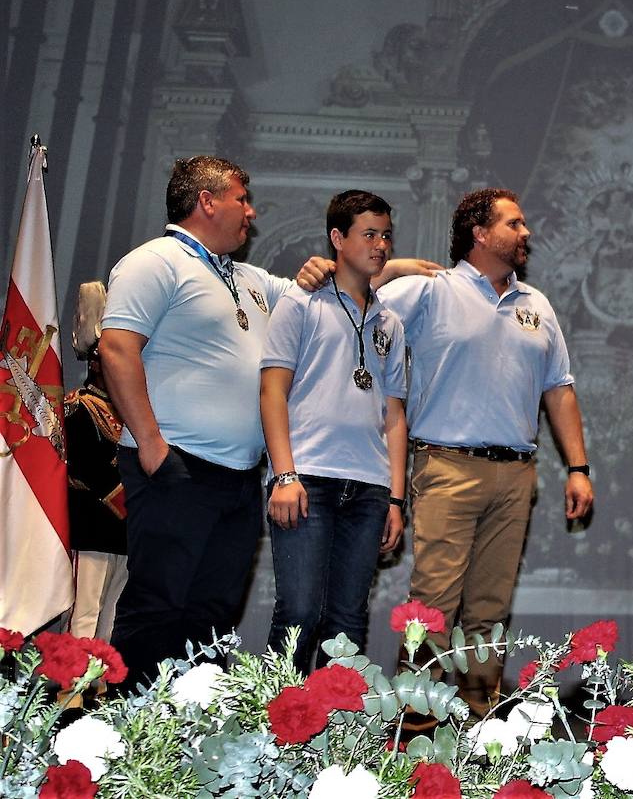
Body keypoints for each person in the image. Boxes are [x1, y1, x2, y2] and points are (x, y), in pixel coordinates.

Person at [101, 156, 431, 688]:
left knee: (214, 610)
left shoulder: (248, 278)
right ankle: (124, 727)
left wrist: (403, 265)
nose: (250, 212)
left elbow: (341, 280)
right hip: (175, 460)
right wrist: (151, 442)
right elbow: (117, 348)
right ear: (207, 201)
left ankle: (193, 731)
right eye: (241, 199)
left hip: (236, 474)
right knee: (159, 599)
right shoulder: (154, 261)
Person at [377, 187, 594, 716]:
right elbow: (353, 300)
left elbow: (559, 388)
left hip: (516, 475)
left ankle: (481, 729)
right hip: (446, 466)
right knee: (431, 608)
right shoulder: (431, 291)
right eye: (515, 224)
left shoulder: (535, 305)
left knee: (490, 613)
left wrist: (579, 468)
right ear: (479, 232)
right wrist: (393, 268)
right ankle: (415, 733)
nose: (527, 233)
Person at [260, 190, 408, 673]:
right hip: (308, 480)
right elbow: (272, 392)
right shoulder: (300, 303)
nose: (381, 244)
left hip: (368, 488)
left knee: (348, 622)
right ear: (337, 238)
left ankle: (337, 743)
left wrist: (395, 498)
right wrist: (284, 477)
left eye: (386, 235)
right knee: (300, 613)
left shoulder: (390, 321)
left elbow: (394, 415)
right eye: (369, 234)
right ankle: (274, 732)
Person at [63, 282, 127, 650]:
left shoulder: (129, 411)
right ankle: (69, 693)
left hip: (123, 533)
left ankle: (100, 686)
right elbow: (90, 468)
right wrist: (131, 506)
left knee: (112, 616)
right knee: (85, 613)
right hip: (92, 527)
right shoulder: (78, 407)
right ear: (95, 361)